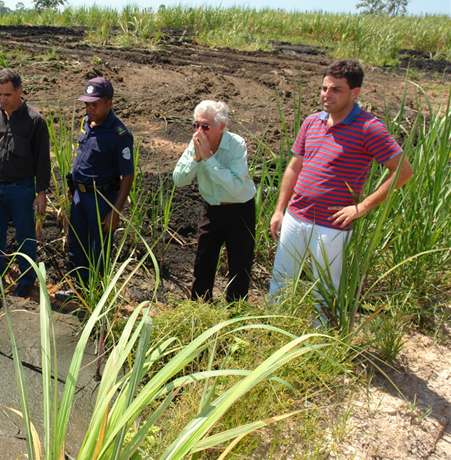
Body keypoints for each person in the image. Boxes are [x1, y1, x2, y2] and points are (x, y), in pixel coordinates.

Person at [269, 59, 413, 311]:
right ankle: (272, 328)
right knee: (280, 281)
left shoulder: (369, 128)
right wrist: (280, 210)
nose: (327, 95)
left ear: (354, 93)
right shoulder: (312, 122)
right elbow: (294, 168)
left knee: (326, 290)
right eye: (324, 88)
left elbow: (403, 171)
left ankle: (322, 339)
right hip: (295, 216)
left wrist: (363, 207)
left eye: (336, 89)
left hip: (331, 225)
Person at [0, 68, 51, 298]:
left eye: (7, 95)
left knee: (25, 234)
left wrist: (41, 192)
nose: (2, 100)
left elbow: (43, 159)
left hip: (22, 188)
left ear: (20, 92)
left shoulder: (35, 121)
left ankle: (26, 281)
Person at [172, 100, 256, 302]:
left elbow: (235, 187)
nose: (199, 131)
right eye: (196, 125)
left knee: (239, 265)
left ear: (222, 127)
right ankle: (200, 308)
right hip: (212, 209)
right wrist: (197, 159)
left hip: (240, 209)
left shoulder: (236, 145)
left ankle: (235, 312)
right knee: (203, 261)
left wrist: (209, 158)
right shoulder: (195, 146)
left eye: (206, 126)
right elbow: (179, 180)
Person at [65, 76, 134, 287]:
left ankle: (95, 293)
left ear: (109, 103)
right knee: (76, 243)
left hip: (101, 199)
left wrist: (116, 210)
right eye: (87, 104)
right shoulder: (87, 122)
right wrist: (73, 185)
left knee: (98, 249)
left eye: (94, 104)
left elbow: (128, 175)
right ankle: (78, 289)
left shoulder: (119, 134)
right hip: (79, 195)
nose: (89, 108)